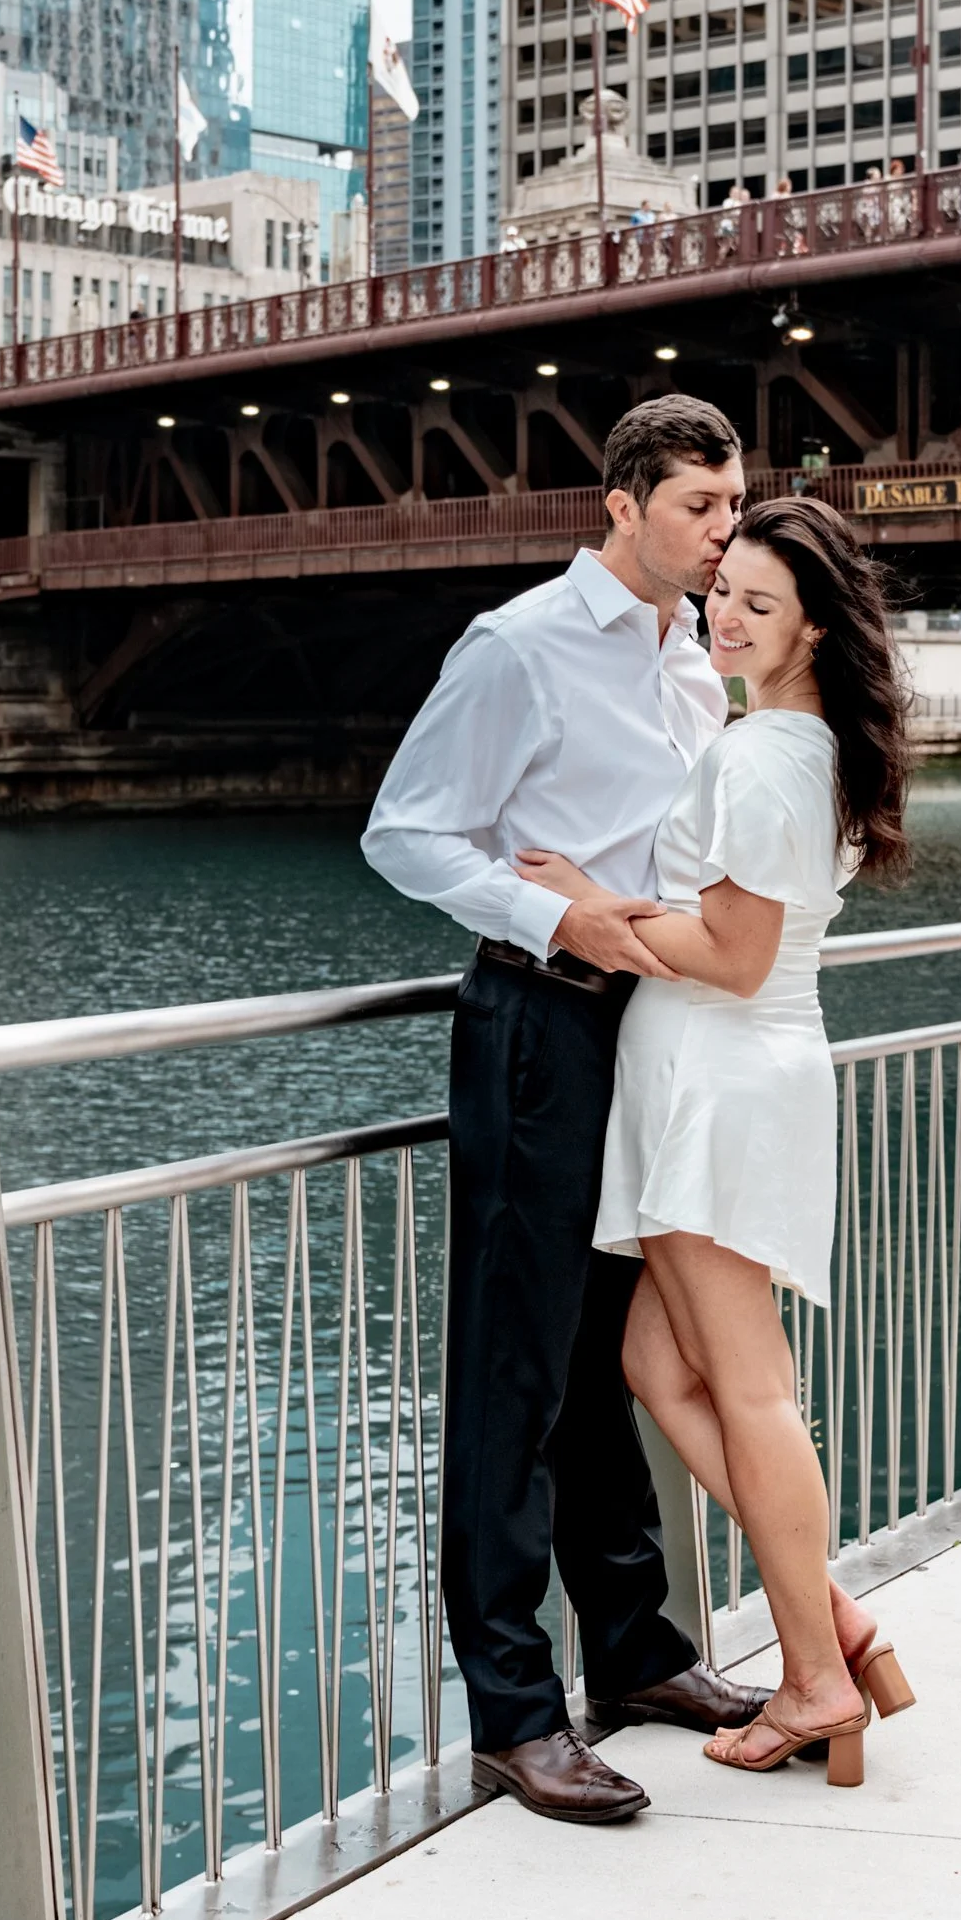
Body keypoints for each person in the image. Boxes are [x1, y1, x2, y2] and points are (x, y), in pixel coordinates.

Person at [362, 396, 768, 1825]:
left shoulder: (693, 667)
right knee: (517, 1371)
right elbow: (405, 835)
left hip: (654, 1029)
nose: (723, 535)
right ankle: (515, 1717)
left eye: (732, 509)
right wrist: (555, 918)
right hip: (540, 1024)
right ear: (621, 503)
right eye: (699, 510)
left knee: (609, 1356)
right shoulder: (520, 647)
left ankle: (640, 1652)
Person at [517, 496, 916, 1788]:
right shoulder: (803, 748)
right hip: (738, 1076)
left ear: (813, 625)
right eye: (721, 591)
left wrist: (579, 897)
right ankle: (841, 1627)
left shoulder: (764, 759)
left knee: (746, 1386)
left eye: (759, 601)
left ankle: (814, 1682)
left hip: (716, 1075)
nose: (726, 615)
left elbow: (734, 957)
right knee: (659, 1363)